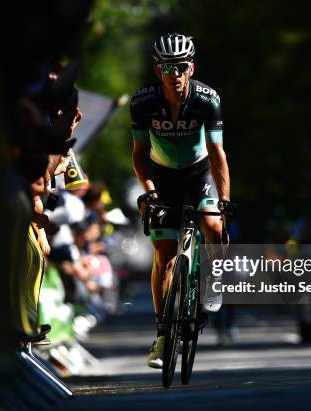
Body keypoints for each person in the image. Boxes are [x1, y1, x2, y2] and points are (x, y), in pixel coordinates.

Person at [130, 33, 233, 368]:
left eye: (180, 66)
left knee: (212, 227)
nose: (174, 73)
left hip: (198, 171)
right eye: (166, 67)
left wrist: (225, 198)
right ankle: (162, 336)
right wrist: (148, 190)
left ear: (191, 68)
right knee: (163, 254)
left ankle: (213, 279)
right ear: (157, 69)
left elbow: (217, 153)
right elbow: (140, 153)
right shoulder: (143, 101)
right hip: (162, 176)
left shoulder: (208, 99)